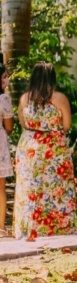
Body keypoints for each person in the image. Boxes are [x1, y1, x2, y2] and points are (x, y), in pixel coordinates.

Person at [13, 62, 76, 240]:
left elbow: (23, 123)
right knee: (57, 188)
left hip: (29, 146)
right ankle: (57, 228)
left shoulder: (24, 98)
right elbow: (67, 125)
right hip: (54, 147)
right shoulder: (60, 98)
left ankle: (29, 229)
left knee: (30, 189)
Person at [0, 69, 13, 237]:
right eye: (4, 77)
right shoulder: (4, 99)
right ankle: (0, 226)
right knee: (0, 187)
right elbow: (9, 126)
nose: (7, 80)